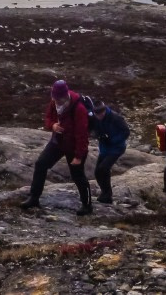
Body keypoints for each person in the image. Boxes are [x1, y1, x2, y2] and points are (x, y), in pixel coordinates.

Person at [20, 80, 92, 216]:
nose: (55, 101)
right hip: (57, 142)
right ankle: (34, 198)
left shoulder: (79, 109)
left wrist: (78, 156)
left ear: (65, 97)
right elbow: (48, 118)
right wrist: (52, 125)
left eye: (58, 99)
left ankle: (87, 205)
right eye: (54, 98)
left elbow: (82, 134)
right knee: (41, 164)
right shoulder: (54, 102)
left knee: (78, 175)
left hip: (73, 146)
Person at [91, 101, 130, 204]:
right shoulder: (94, 117)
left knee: (103, 168)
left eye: (101, 114)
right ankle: (105, 193)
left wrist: (112, 140)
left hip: (117, 148)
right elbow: (92, 129)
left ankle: (107, 195)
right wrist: (97, 135)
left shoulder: (115, 117)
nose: (99, 116)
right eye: (97, 114)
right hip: (104, 148)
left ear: (104, 111)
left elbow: (126, 132)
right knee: (97, 172)